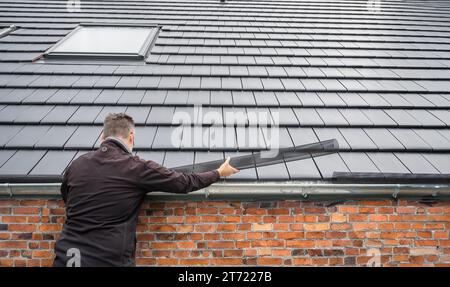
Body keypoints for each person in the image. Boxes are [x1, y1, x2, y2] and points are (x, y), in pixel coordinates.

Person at [53, 113, 239, 267]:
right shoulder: (136, 167)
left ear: (102, 136)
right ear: (131, 137)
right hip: (108, 259)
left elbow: (67, 197)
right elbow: (184, 182)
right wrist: (219, 172)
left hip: (67, 257)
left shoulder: (76, 165)